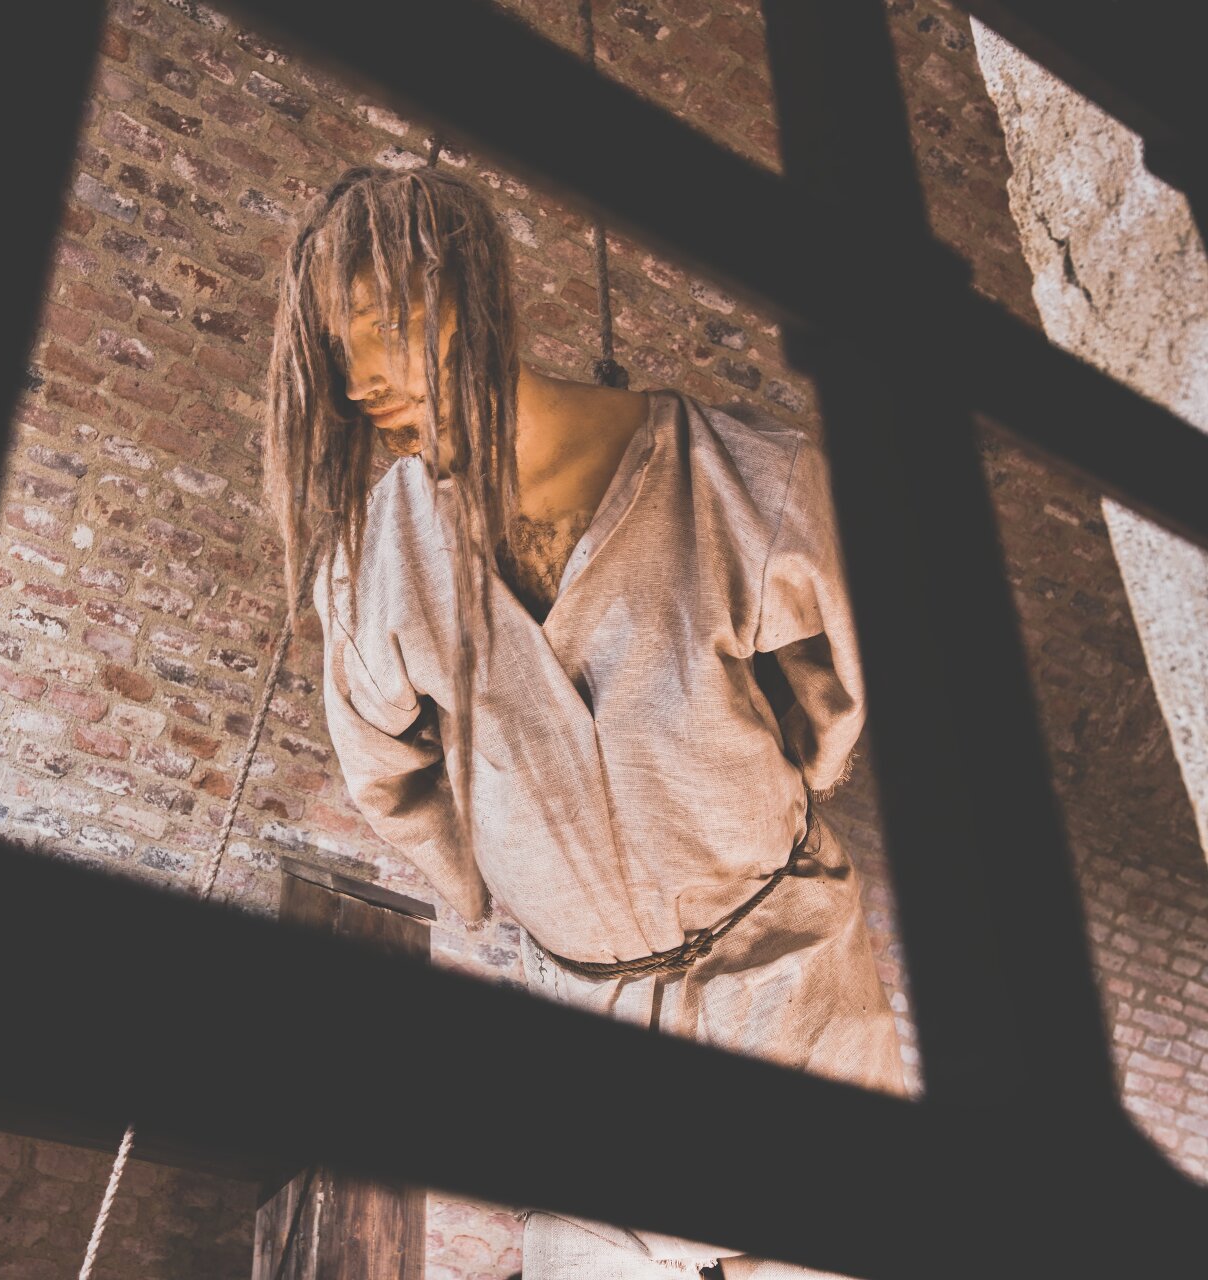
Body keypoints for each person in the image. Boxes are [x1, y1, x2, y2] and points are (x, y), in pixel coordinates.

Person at [264, 165, 905, 1279]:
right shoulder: (374, 564)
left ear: (472, 296)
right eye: (338, 347)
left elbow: (830, 694)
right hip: (580, 1018)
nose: (362, 379)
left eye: (387, 326)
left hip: (789, 986)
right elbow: (386, 773)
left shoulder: (742, 483)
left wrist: (724, 817)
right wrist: (514, 877)